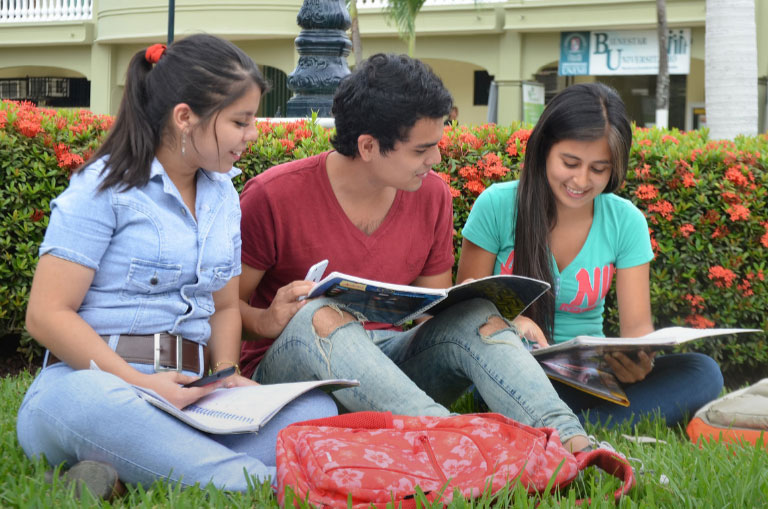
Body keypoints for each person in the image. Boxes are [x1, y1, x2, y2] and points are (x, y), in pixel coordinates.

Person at [17, 34, 337, 498]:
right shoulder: (100, 189)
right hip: (93, 384)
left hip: (193, 393)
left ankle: (120, 468)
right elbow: (46, 315)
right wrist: (141, 385)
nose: (253, 134)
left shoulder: (223, 196)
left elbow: (225, 306)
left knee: (314, 412)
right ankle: (261, 484)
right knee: (101, 408)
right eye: (240, 121)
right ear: (185, 118)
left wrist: (226, 376)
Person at [238, 53, 591, 452]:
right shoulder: (273, 196)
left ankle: (574, 446)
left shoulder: (432, 196)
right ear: (368, 146)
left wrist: (477, 305)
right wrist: (269, 319)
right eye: (422, 149)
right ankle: (465, 447)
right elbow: (223, 311)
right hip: (293, 378)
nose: (435, 160)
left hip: (388, 370)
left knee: (476, 314)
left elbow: (430, 307)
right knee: (318, 314)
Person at [457, 82, 723, 427]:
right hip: (510, 368)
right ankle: (576, 425)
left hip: (588, 378)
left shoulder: (625, 221)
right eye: (570, 162)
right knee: (502, 375)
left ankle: (560, 428)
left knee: (703, 371)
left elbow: (637, 329)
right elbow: (462, 311)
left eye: (599, 169)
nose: (581, 180)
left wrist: (639, 361)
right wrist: (507, 322)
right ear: (544, 150)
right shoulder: (497, 205)